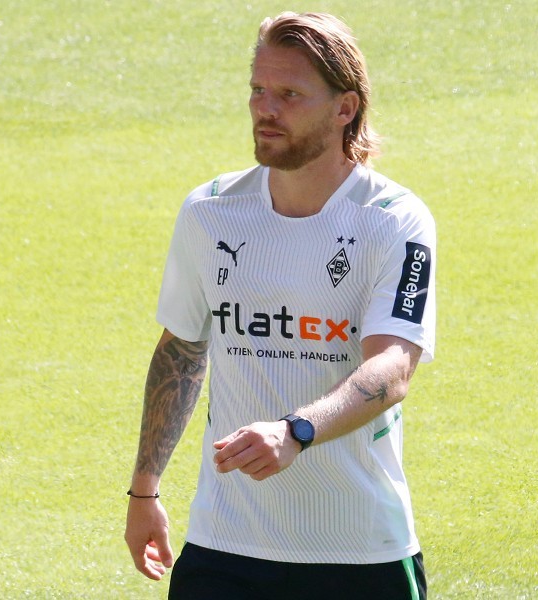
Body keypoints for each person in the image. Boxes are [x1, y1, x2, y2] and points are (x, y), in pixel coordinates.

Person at [124, 11, 436, 600]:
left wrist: (296, 431)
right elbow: (183, 351)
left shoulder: (394, 221)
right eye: (258, 90)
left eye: (289, 94)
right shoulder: (210, 211)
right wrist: (145, 490)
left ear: (345, 108)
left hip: (358, 553)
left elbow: (393, 368)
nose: (265, 109)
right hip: (224, 547)